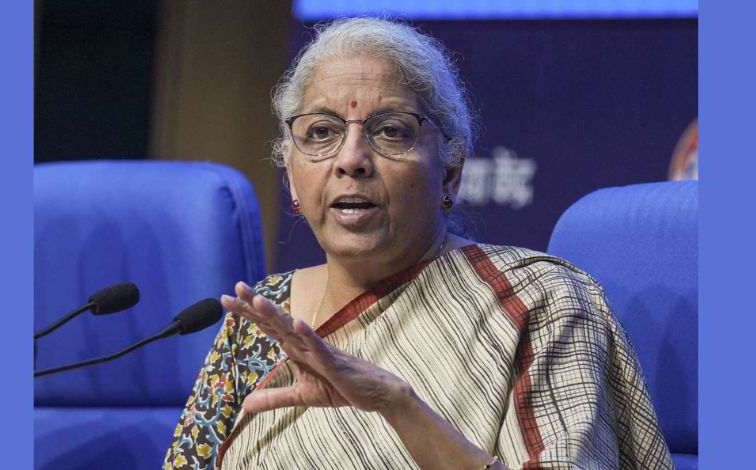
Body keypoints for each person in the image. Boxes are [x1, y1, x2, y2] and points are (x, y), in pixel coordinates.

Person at [164, 18, 672, 470]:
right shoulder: (262, 318)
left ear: (450, 173)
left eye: (391, 131)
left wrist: (399, 406)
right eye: (321, 132)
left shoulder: (537, 302)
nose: (351, 159)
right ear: (293, 177)